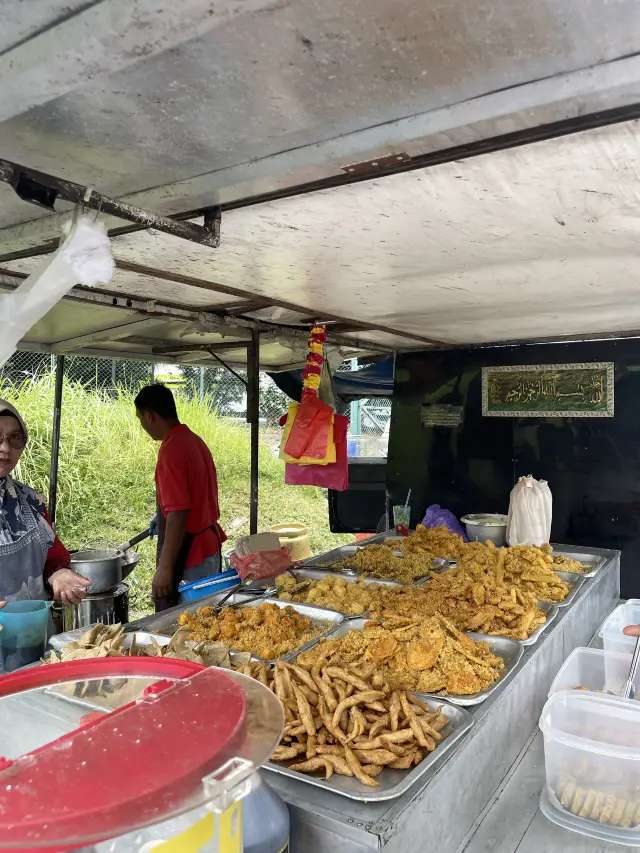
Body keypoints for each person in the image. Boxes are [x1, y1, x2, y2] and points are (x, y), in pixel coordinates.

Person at [134, 384, 226, 611]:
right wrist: (161, 514)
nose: (142, 425)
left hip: (192, 555)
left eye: (140, 419)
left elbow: (178, 514)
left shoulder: (171, 450)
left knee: (188, 625)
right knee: (208, 615)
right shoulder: (194, 441)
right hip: (209, 547)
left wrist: (164, 568)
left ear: (150, 415)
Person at [0, 399, 90, 625]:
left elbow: (52, 557)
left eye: (15, 438)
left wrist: (59, 573)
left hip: (32, 636)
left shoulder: (31, 502)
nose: (5, 447)